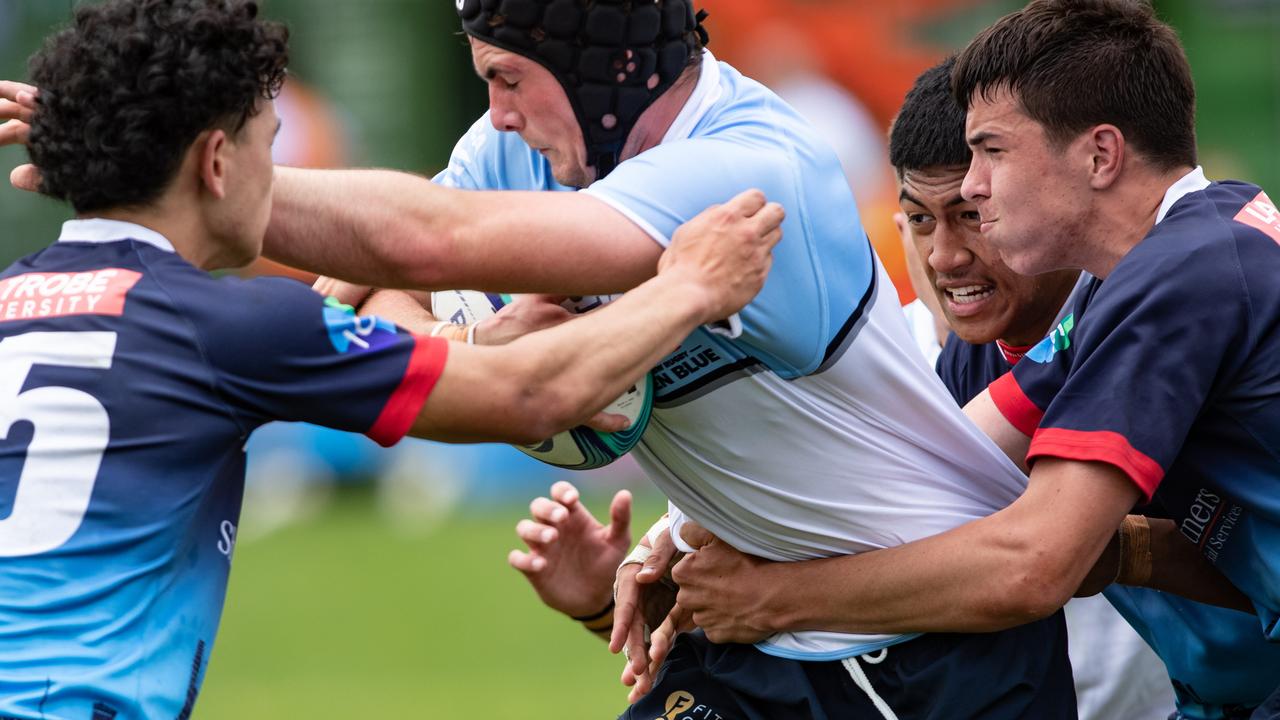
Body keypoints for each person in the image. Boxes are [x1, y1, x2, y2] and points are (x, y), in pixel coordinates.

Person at [1, 1, 1089, 717]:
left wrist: (139, 145)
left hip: (925, 648)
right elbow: (440, 294)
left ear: (609, 66)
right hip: (762, 633)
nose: (496, 111)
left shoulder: (752, 166)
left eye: (509, 77)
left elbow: (425, 256)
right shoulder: (514, 151)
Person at [655, 1, 1280, 718]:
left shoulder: (1185, 273)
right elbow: (937, 466)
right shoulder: (1149, 270)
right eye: (925, 213)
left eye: (992, 151)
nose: (977, 185)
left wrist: (776, 600)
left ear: (1100, 155)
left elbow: (1032, 566)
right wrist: (680, 533)